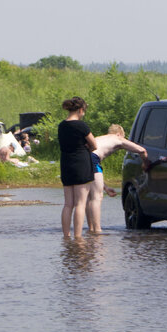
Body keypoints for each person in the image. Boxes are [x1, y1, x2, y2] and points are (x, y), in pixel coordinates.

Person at [84, 124, 148, 234]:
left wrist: (106, 187)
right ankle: (97, 230)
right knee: (97, 197)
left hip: (83, 158)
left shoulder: (100, 138)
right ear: (119, 134)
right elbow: (141, 150)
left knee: (89, 197)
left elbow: (95, 176)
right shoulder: (117, 138)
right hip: (94, 158)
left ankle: (91, 229)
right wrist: (145, 163)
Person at [58, 96, 97, 238]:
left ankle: (66, 235)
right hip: (81, 164)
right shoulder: (82, 126)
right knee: (80, 203)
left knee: (68, 204)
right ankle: (78, 236)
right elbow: (94, 145)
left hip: (66, 164)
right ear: (81, 110)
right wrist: (87, 147)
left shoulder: (61, 125)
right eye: (84, 112)